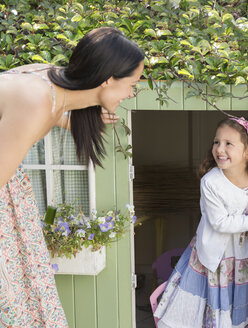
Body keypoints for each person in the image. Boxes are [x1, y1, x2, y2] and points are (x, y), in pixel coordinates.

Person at [0, 27, 144, 327]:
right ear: (107, 79)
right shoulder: (38, 100)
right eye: (132, 84)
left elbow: (49, 111)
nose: (132, 92)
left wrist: (83, 117)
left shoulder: (50, 85)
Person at [153, 117, 248, 328]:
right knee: (214, 306)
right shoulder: (211, 182)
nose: (220, 149)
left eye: (228, 144)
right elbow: (220, 223)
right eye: (216, 142)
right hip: (217, 258)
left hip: (244, 256)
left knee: (242, 306)